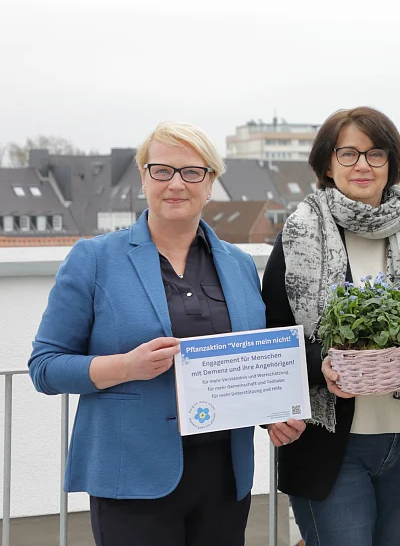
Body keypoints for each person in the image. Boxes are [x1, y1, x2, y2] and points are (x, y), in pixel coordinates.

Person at [28, 121, 305, 546]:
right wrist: (126, 366)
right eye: (161, 170)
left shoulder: (239, 264)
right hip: (132, 475)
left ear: (211, 182)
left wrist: (271, 412)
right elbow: (45, 367)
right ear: (143, 178)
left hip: (223, 479)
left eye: (192, 172)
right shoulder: (95, 258)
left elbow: (249, 361)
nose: (176, 184)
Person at [261, 106, 400, 546]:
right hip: (327, 442)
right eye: (348, 154)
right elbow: (272, 337)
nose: (363, 166)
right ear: (327, 164)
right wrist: (322, 366)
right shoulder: (299, 234)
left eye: (375, 153)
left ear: (392, 162)